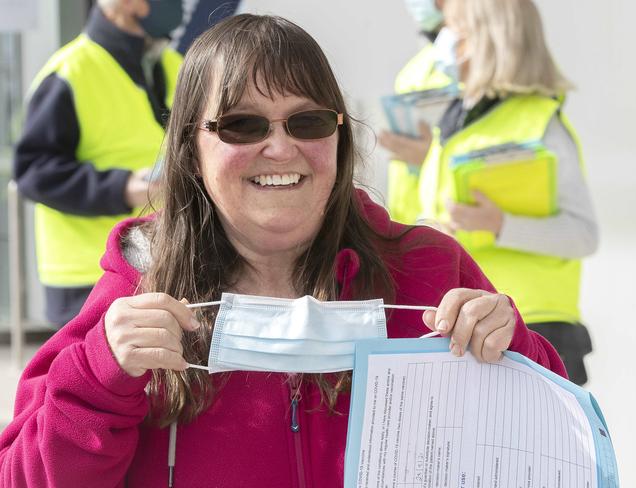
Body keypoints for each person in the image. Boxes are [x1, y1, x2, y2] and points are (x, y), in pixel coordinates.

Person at [0, 14, 566, 487]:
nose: (280, 147)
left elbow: (558, 447)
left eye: (308, 121)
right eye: (242, 125)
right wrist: (99, 377)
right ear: (190, 151)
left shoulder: (428, 269)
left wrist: (515, 350)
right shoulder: (141, 286)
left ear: (339, 140)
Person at [415, 0, 598, 385]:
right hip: (471, 325)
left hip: (536, 327)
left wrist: (499, 225)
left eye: (456, 29)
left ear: (488, 39)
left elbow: (584, 235)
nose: (443, 42)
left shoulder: (541, 124)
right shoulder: (452, 123)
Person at [12, 0, 183, 327]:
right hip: (88, 278)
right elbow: (33, 172)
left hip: (161, 263)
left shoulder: (176, 64)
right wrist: (121, 188)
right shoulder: (70, 72)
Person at [379, 0, 452, 224]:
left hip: (458, 235)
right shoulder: (414, 69)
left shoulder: (485, 65)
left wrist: (431, 162)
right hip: (412, 230)